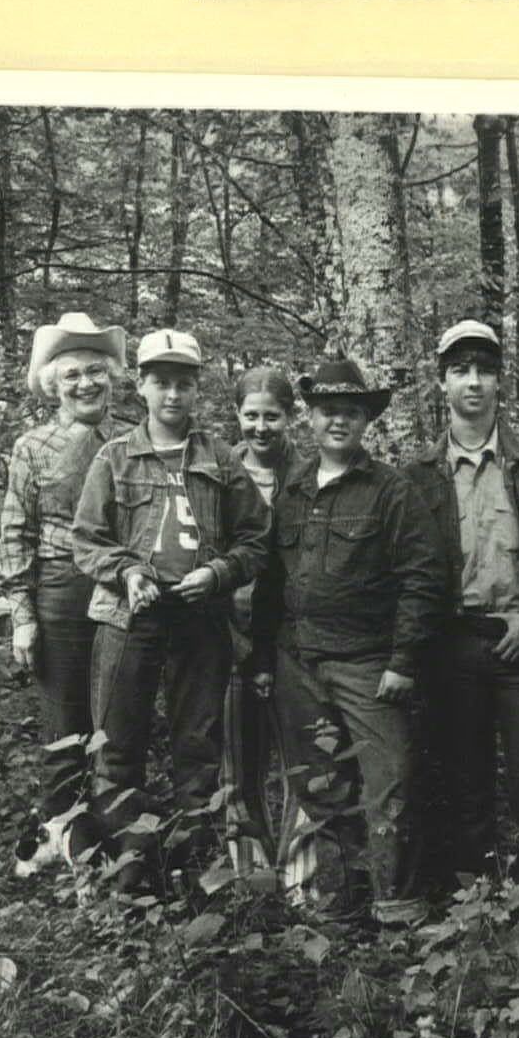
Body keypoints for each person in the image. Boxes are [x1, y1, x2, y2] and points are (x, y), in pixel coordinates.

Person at [248, 357, 447, 922]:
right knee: (321, 787)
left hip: (369, 667)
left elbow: (423, 577)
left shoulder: (391, 491)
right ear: (311, 418)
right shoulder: (293, 491)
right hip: (299, 667)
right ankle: (341, 907)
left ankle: (397, 910)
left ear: (366, 421)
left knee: (390, 785)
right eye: (328, 411)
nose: (339, 421)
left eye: (351, 412)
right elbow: (271, 581)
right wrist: (264, 658)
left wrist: (403, 660)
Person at [72, 328, 271, 882]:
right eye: (161, 382)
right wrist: (129, 571)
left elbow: (257, 539)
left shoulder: (221, 459)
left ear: (196, 390)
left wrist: (217, 573)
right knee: (116, 748)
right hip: (127, 619)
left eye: (184, 383)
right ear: (141, 387)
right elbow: (86, 540)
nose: (173, 395)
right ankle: (133, 877)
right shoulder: (114, 458)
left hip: (200, 619)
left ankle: (192, 876)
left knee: (198, 750)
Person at [404, 318, 519, 907]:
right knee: (463, 788)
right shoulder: (418, 473)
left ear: (500, 381)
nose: (473, 382)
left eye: (484, 370)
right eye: (460, 371)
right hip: (453, 649)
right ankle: (472, 912)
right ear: (442, 384)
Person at [0, 312, 130, 876]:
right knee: (64, 728)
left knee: (118, 721)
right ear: (53, 383)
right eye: (72, 374)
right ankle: (69, 854)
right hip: (58, 592)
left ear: (112, 377)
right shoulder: (32, 446)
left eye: (95, 372)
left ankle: (120, 847)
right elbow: (14, 531)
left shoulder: (130, 440)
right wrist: (23, 616)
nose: (85, 384)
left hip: (122, 591)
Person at [222, 365, 302, 878]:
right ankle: (249, 877)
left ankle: (302, 878)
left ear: (290, 418)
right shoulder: (219, 468)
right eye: (251, 416)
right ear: (237, 416)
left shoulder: (307, 473)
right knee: (237, 756)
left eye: (272, 417)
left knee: (300, 756)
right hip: (229, 629)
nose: (261, 428)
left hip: (292, 632)